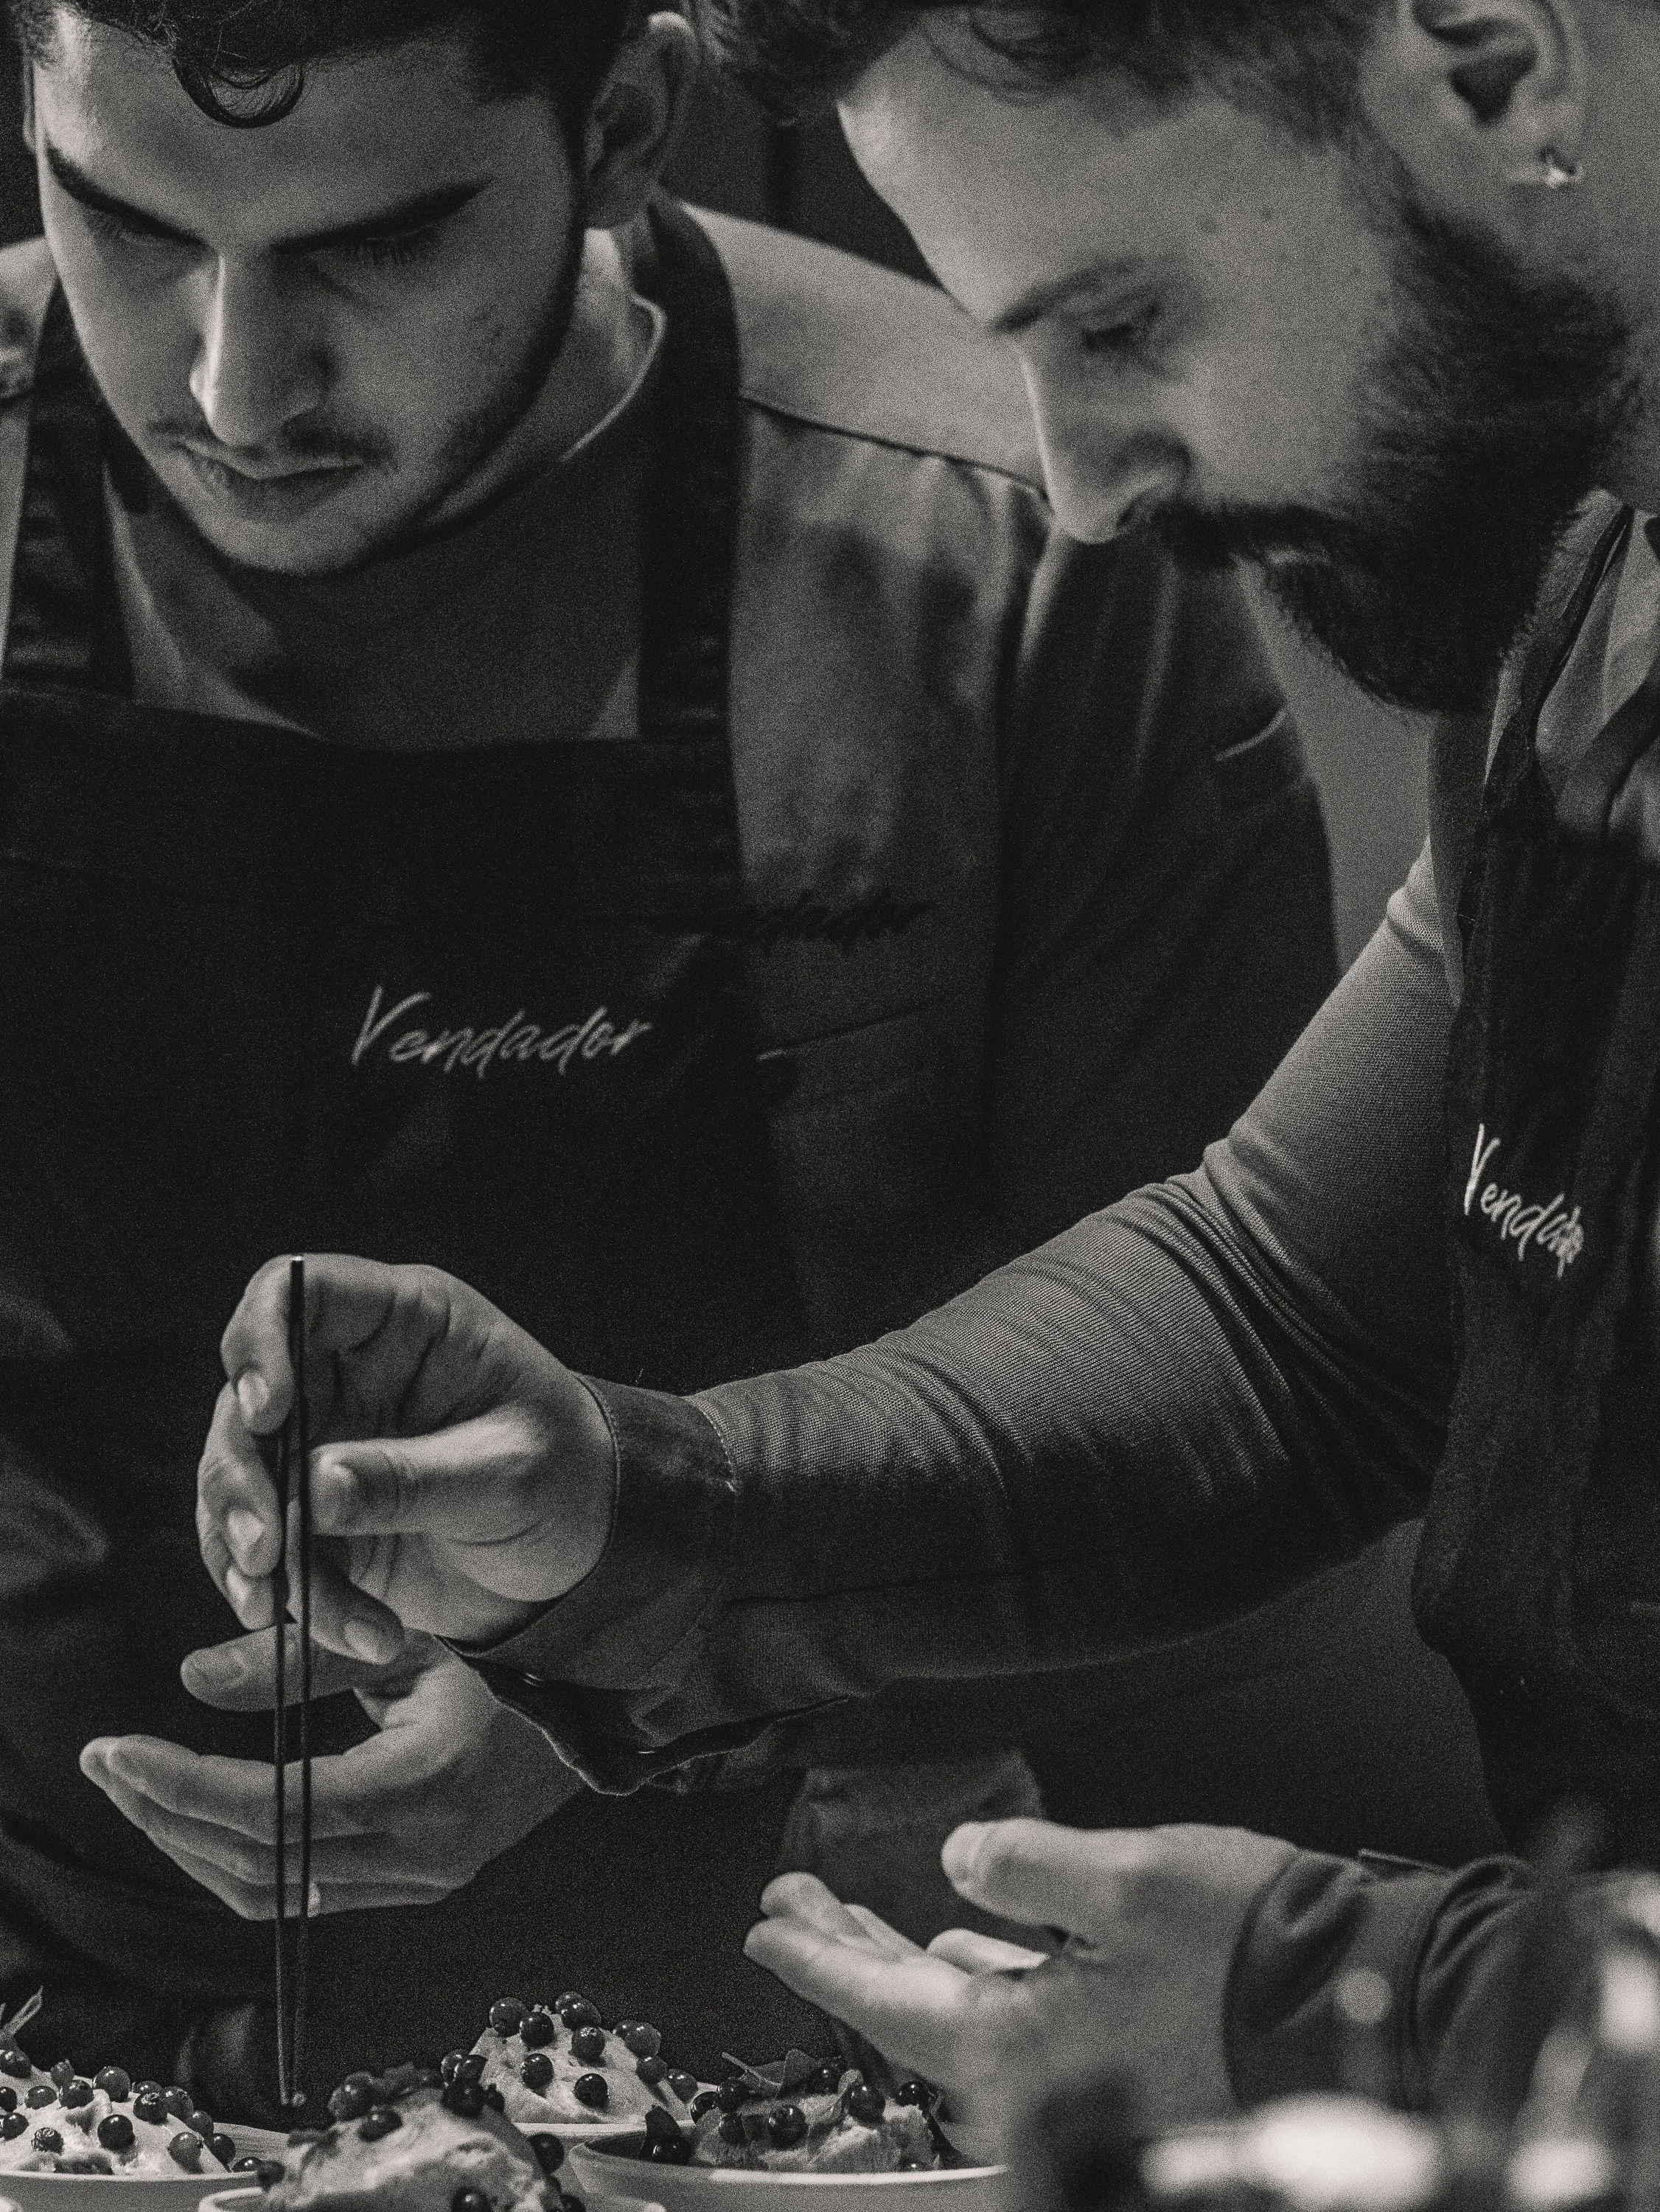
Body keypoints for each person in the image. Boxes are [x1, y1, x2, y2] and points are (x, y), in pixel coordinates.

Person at [177, 0, 1660, 2135]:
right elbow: (1281, 1315)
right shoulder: (1565, 609)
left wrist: (1373, 2003)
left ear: (1486, 73)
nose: (1079, 478)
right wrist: (641, 1504)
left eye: (1123, 322)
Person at [0, 0, 1340, 2123]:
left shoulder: (1008, 540)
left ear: (619, 129)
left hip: (798, 2012)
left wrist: (615, 1685)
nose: (230, 384)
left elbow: (1237, 1396)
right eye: (120, 221)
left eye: (378, 244)